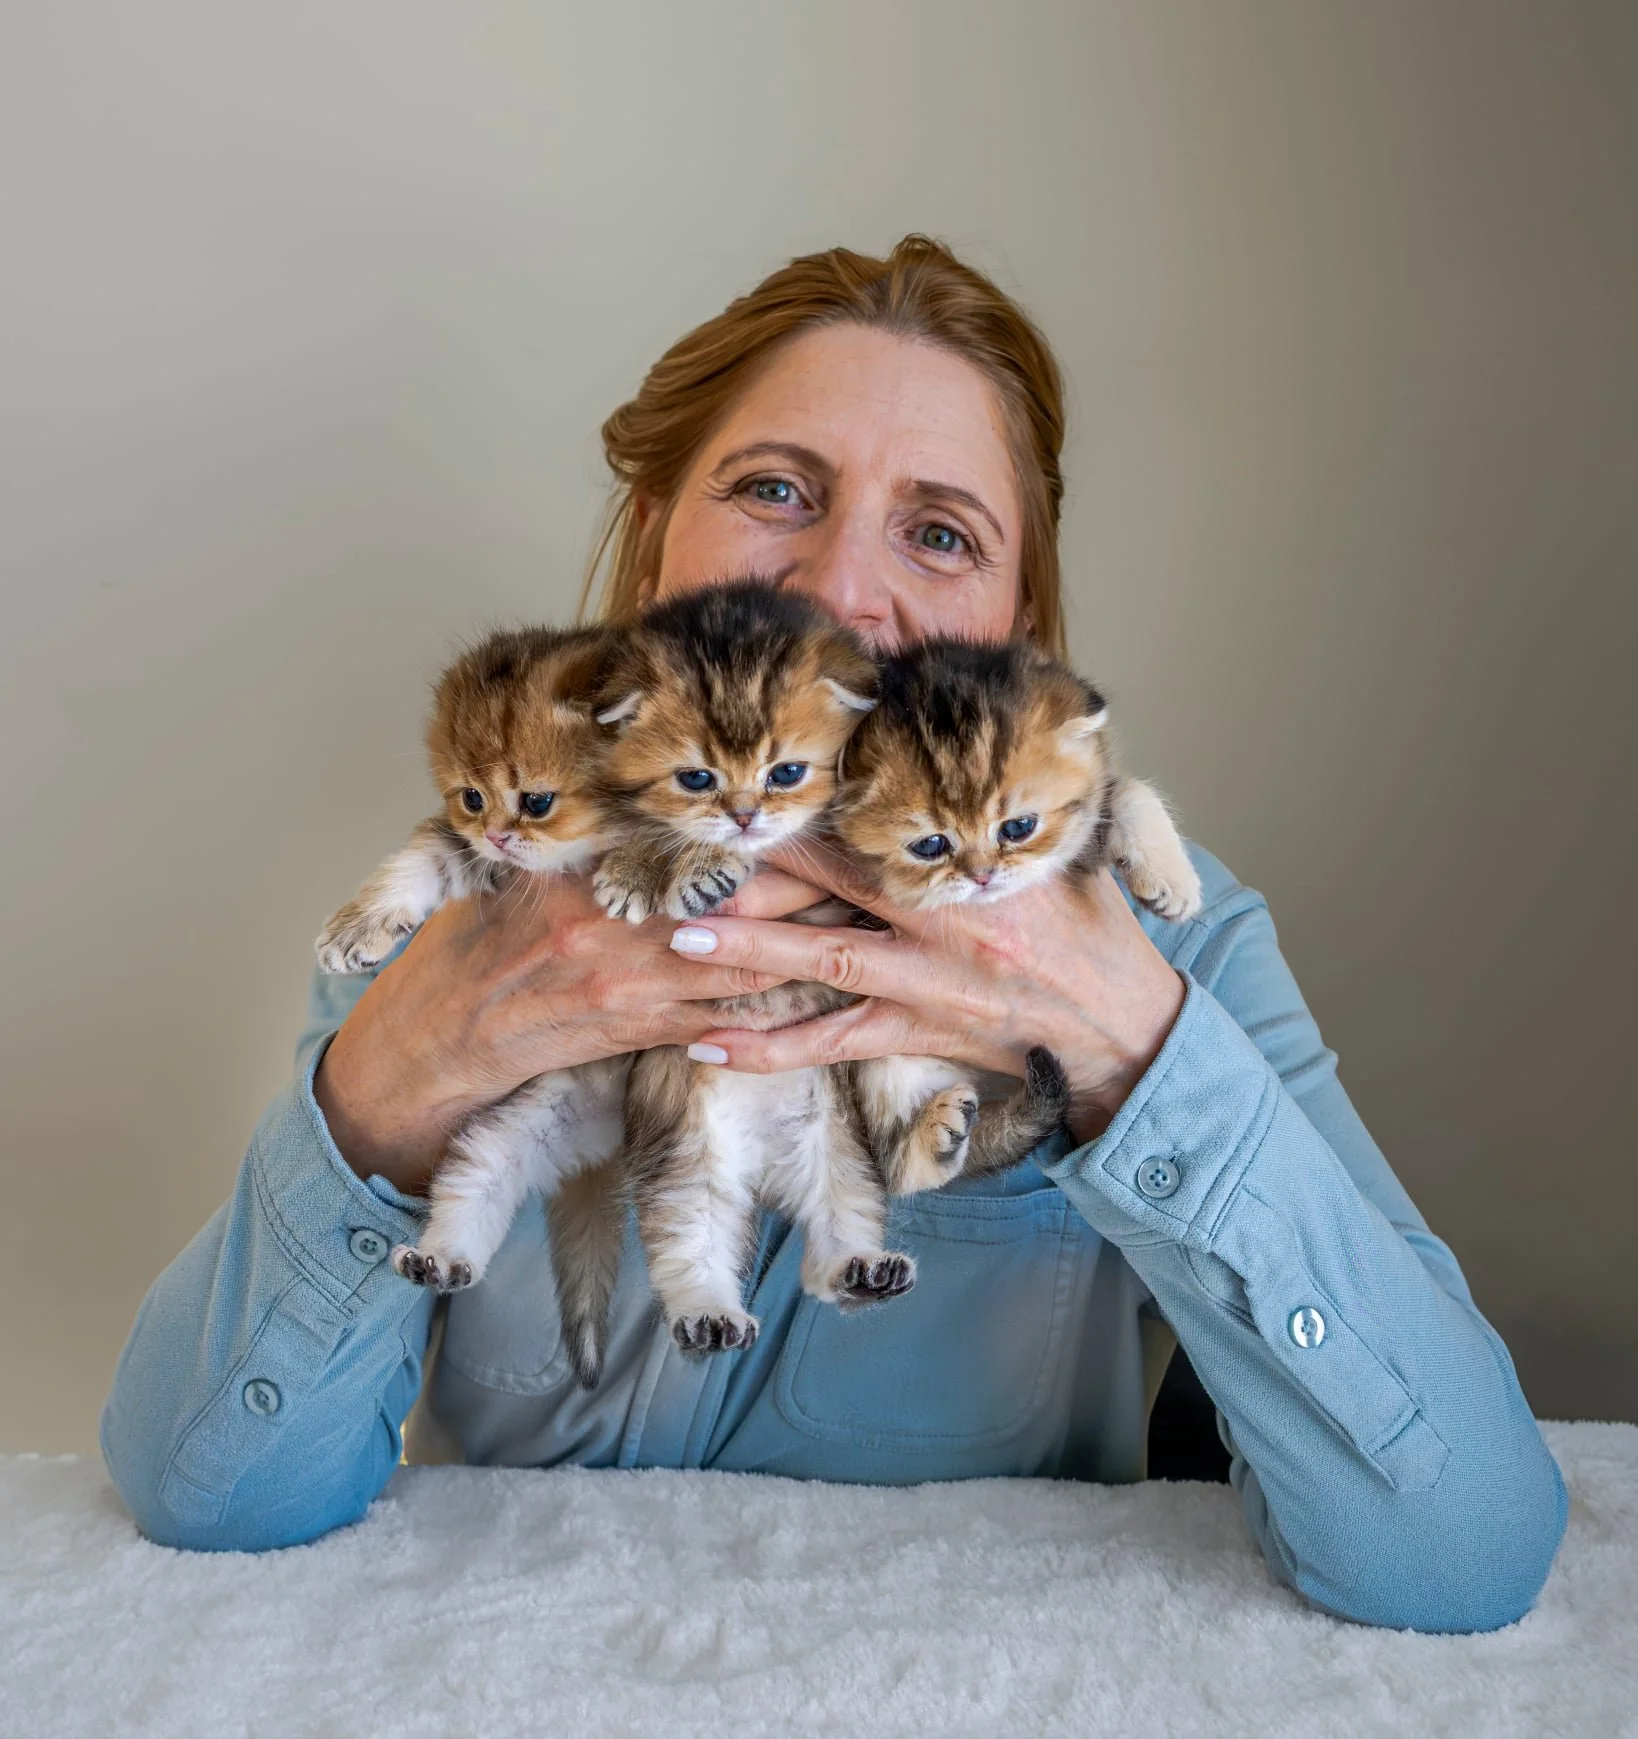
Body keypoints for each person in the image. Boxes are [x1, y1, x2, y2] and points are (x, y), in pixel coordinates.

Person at [101, 237, 1566, 1632]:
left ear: (1013, 621)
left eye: (938, 531)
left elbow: (1461, 1554)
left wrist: (1131, 1049)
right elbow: (207, 1495)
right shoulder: (474, 906)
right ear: (652, 547)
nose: (842, 588)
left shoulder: (1174, 941)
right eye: (774, 490)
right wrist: (402, 1071)